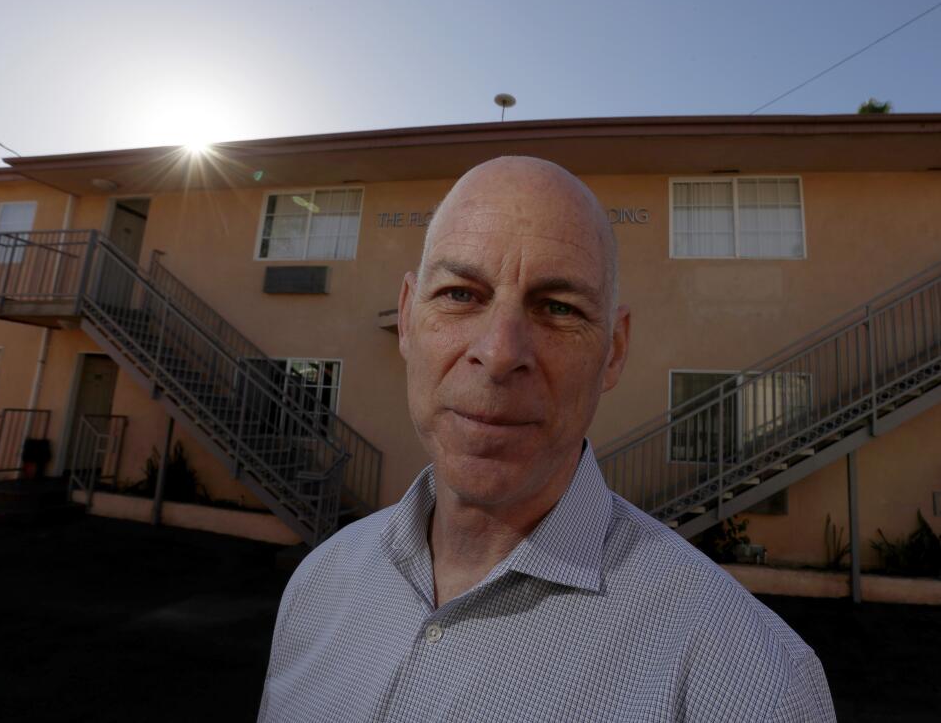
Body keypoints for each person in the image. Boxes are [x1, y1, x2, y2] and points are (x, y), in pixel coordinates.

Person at [258, 156, 835, 722]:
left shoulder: (748, 681)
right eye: (461, 294)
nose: (501, 352)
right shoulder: (317, 584)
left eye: (558, 307)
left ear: (614, 351)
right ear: (408, 319)